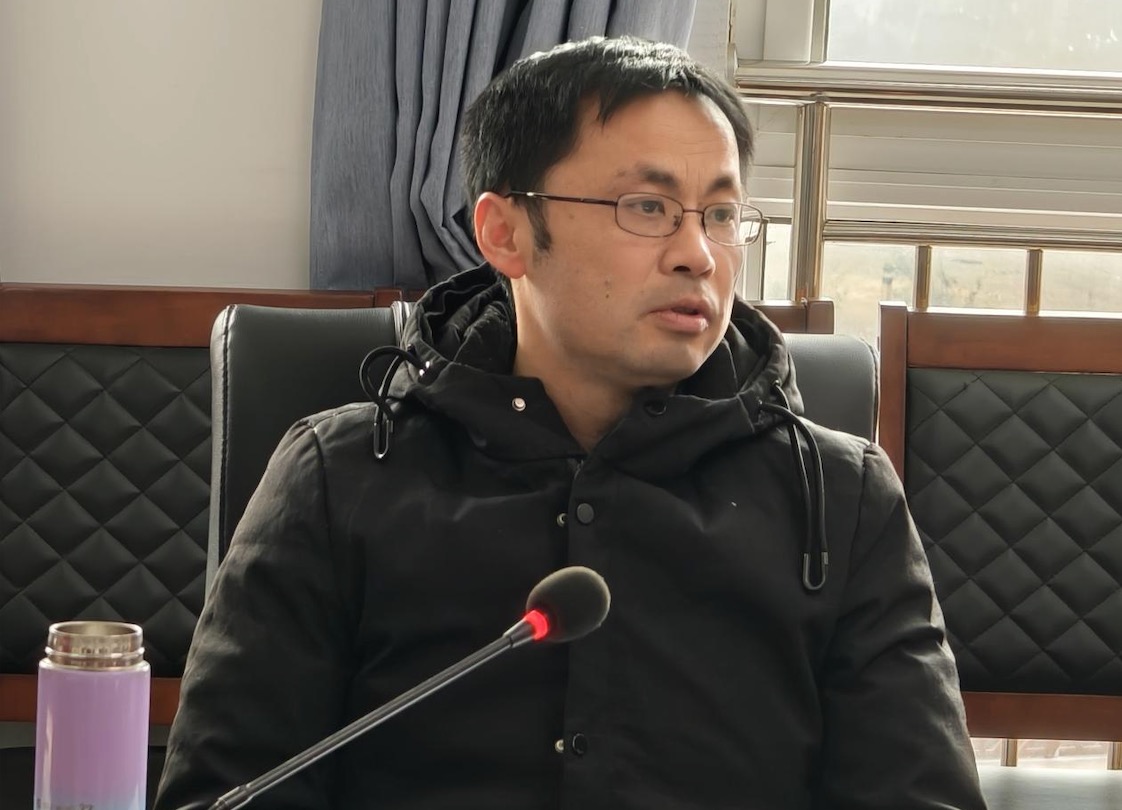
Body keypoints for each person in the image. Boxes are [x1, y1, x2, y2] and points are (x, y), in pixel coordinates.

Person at [156, 36, 986, 810]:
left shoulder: (840, 499)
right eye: (648, 206)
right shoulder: (340, 478)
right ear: (505, 233)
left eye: (721, 215)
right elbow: (227, 790)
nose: (698, 253)